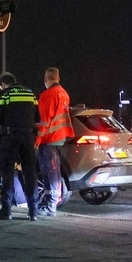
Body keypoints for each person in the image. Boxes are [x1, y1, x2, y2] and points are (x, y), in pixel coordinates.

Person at [0, 72, 39, 221]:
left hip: (10, 136)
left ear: (3, 84)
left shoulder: (5, 94)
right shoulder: (30, 94)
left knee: (7, 172)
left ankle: (6, 211)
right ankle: (33, 211)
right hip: (28, 136)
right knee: (30, 172)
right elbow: (38, 117)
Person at [35, 67, 74, 217]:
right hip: (60, 138)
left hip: (49, 138)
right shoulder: (64, 93)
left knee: (49, 172)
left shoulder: (48, 95)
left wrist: (38, 139)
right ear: (58, 78)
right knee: (55, 172)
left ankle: (50, 205)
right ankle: (52, 202)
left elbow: (45, 120)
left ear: (46, 79)